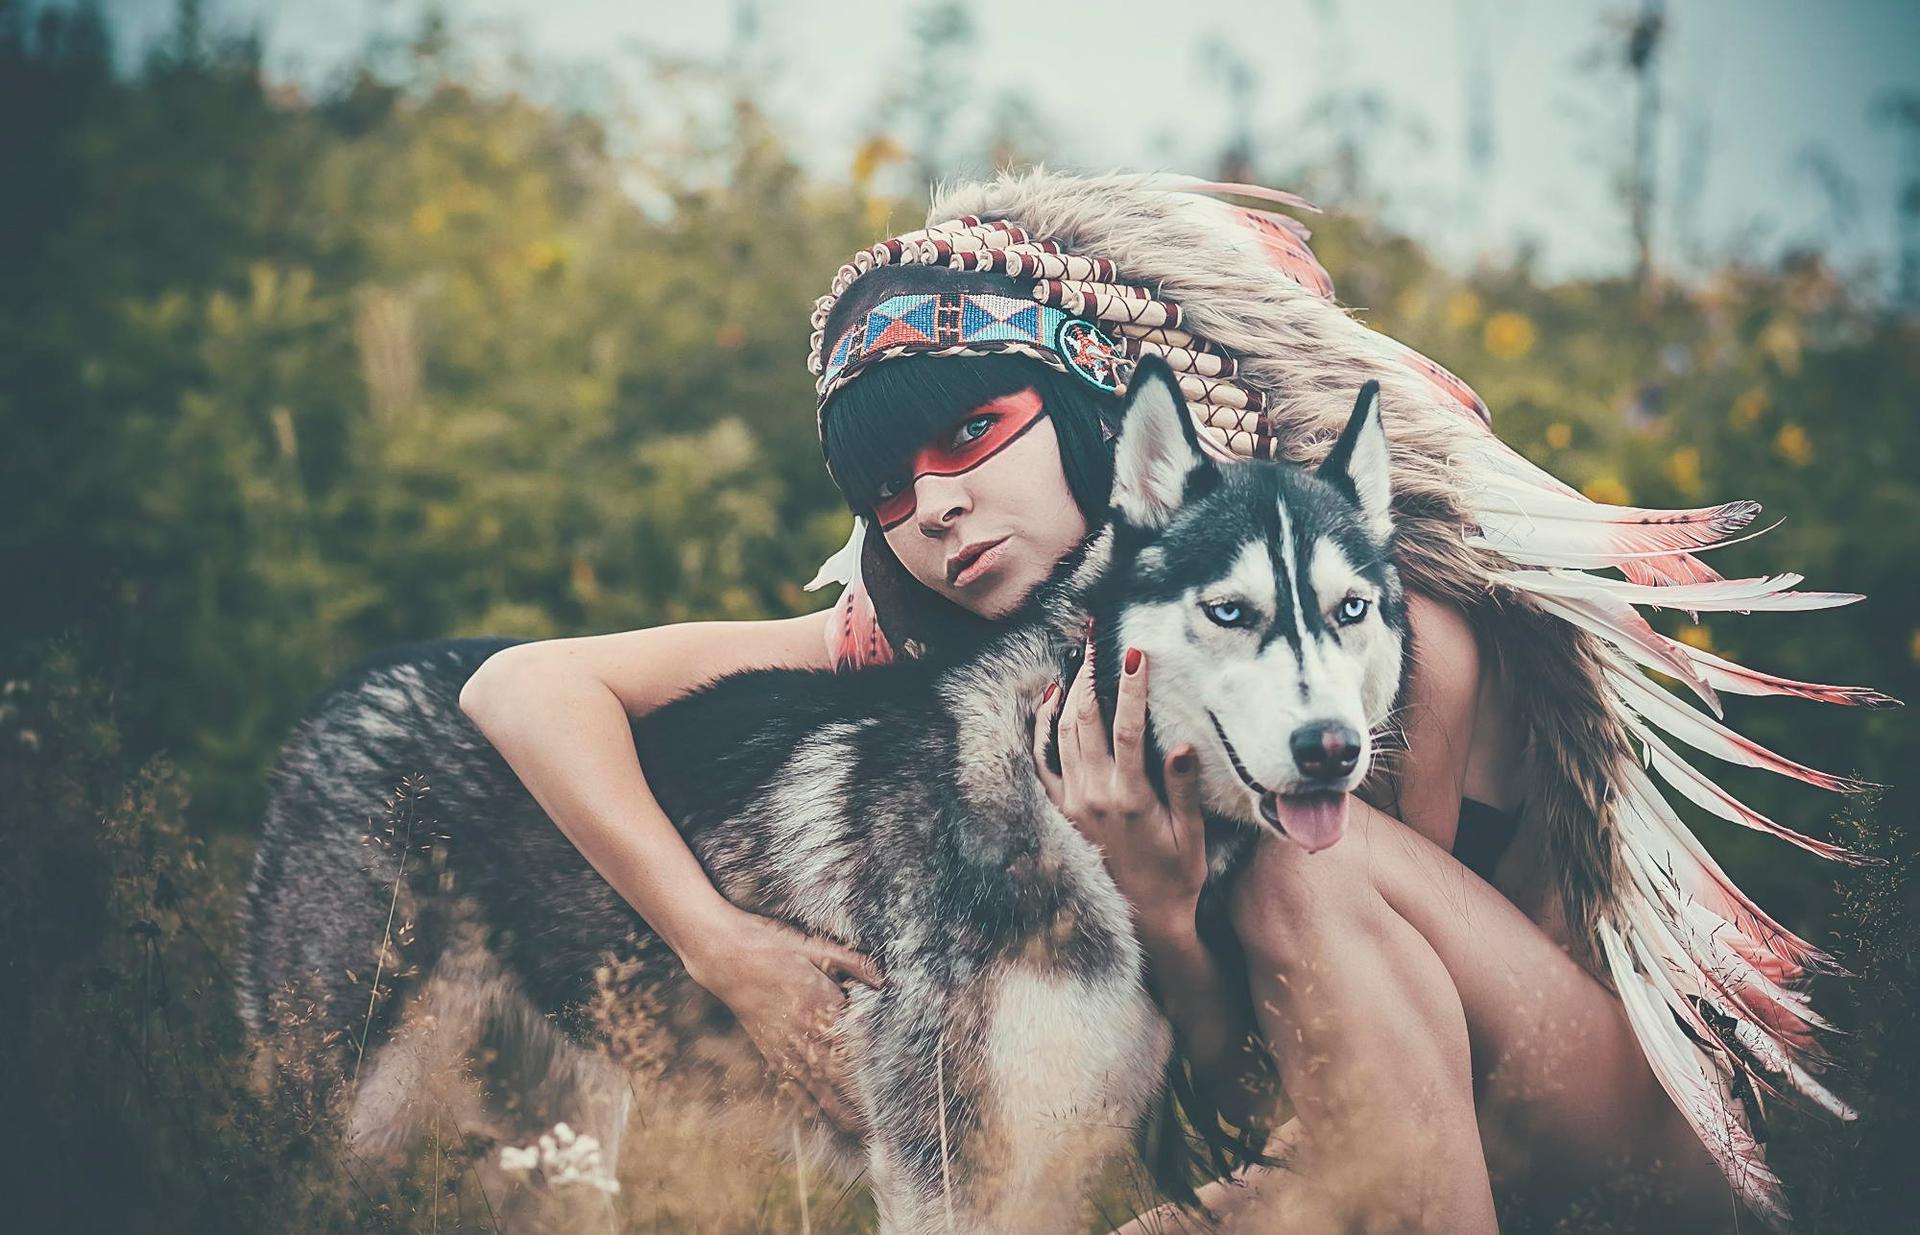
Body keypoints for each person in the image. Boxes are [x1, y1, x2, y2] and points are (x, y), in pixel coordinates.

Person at [459, 171, 1877, 1231]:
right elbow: (524, 686)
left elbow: (1383, 1067)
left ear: (1107, 428)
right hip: (1309, 1149)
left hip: (1583, 1135)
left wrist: (1172, 903)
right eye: (888, 487)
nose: (935, 504)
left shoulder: (1380, 638)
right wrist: (724, 948)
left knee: (1303, 876)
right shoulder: (919, 660)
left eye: (972, 430)